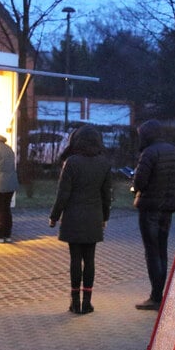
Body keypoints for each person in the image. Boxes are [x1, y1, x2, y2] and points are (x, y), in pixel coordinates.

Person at [48, 125, 112, 315]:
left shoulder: (71, 162)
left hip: (73, 217)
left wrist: (54, 216)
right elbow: (106, 195)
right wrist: (105, 217)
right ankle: (88, 302)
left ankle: (74, 301)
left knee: (75, 260)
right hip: (94, 217)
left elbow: (63, 194)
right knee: (90, 260)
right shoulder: (104, 163)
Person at [132, 119, 175, 311]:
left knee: (152, 252)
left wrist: (134, 181)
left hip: (150, 208)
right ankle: (161, 294)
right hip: (168, 208)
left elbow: (140, 182)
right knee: (162, 250)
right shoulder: (173, 150)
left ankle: (156, 296)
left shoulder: (149, 153)